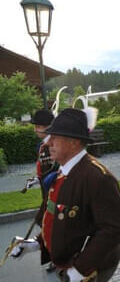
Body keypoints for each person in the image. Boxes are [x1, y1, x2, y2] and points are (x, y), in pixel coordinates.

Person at [11, 108, 120, 282]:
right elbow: (61, 221)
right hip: (69, 264)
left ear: (73, 142)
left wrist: (80, 269)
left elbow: (113, 230)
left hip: (90, 267)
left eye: (55, 137)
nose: (49, 142)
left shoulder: (98, 177)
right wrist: (36, 243)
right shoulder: (63, 172)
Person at [30, 109, 59, 272]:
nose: (36, 129)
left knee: (49, 223)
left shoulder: (53, 144)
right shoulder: (43, 145)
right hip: (46, 191)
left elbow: (56, 169)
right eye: (35, 126)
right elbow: (44, 168)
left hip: (53, 193)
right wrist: (37, 178)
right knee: (47, 223)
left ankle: (58, 256)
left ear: (49, 127)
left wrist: (47, 178)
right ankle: (55, 255)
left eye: (39, 126)